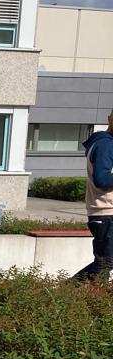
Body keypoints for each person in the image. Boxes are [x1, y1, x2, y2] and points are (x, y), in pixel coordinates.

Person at [76, 112, 113, 281]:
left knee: (105, 263)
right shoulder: (105, 145)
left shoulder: (104, 143)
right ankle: (66, 292)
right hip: (106, 214)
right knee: (105, 263)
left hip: (104, 214)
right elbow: (102, 179)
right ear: (110, 120)